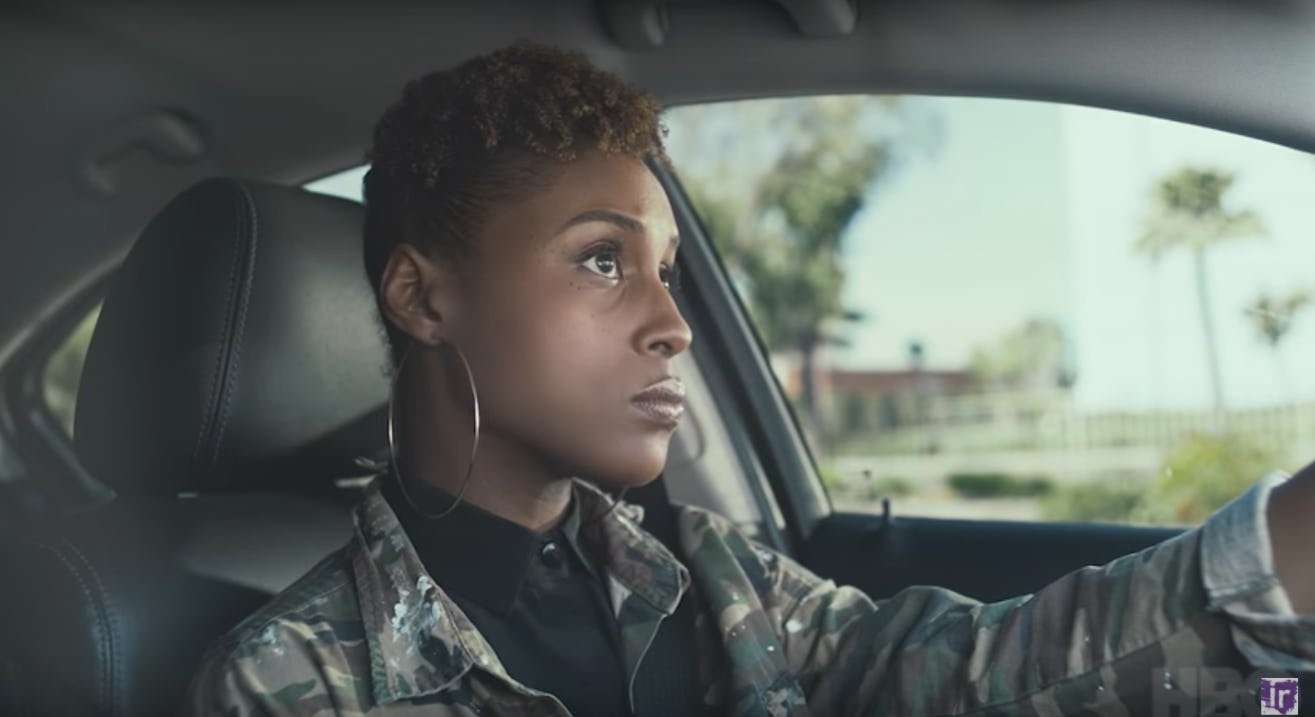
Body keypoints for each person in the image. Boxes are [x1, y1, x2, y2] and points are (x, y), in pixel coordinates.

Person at [186, 41, 1315, 716]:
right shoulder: (296, 679)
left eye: (666, 271)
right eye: (601, 260)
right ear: (422, 297)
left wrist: (1285, 549)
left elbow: (974, 675)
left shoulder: (709, 575)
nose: (672, 324)